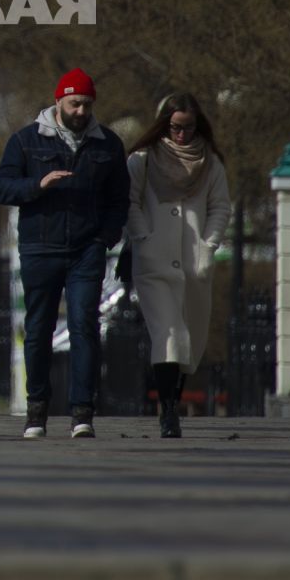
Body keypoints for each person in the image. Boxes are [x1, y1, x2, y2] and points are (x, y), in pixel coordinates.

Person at [0, 68, 131, 439]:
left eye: (87, 104)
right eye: (74, 104)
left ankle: (82, 412)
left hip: (87, 249)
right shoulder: (25, 141)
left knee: (85, 325)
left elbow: (120, 199)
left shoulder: (108, 145)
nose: (81, 111)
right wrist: (38, 185)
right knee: (38, 329)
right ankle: (36, 410)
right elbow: (1, 187)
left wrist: (105, 237)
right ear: (59, 102)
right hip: (40, 247)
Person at [119, 92, 233, 438]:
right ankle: (169, 410)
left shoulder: (210, 162)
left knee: (190, 340)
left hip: (193, 263)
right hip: (154, 263)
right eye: (175, 127)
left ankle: (172, 403)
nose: (182, 135)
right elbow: (130, 202)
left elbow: (220, 208)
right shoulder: (143, 160)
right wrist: (143, 236)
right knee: (170, 335)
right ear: (162, 124)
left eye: (188, 127)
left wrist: (209, 244)